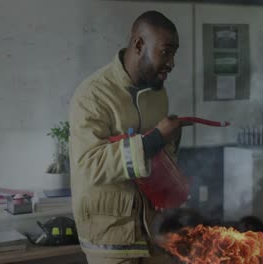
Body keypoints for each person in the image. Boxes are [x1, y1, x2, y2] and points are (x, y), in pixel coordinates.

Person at [69, 11, 191, 264]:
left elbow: (160, 156)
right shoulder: (92, 94)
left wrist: (168, 185)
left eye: (174, 53)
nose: (172, 62)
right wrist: (155, 139)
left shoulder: (157, 94)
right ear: (138, 44)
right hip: (110, 236)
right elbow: (89, 164)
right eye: (166, 51)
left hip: (153, 230)